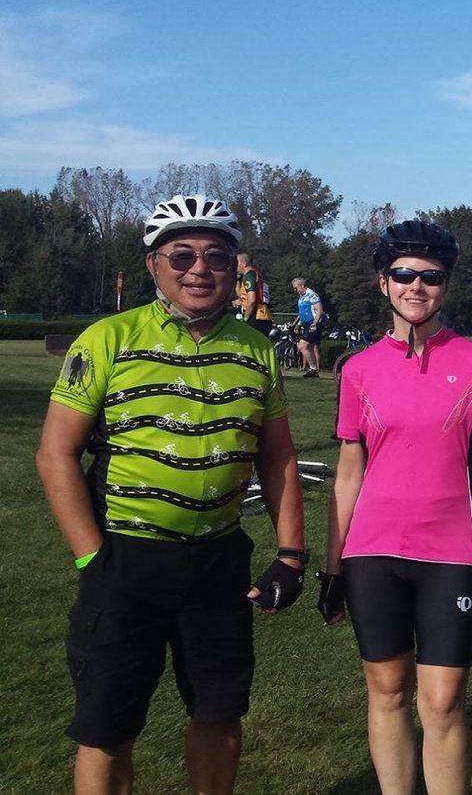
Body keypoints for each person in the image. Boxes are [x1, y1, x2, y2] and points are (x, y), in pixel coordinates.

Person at [35, 194, 308, 795]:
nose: (199, 269)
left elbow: (277, 456)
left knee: (219, 714)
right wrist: (91, 558)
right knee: (108, 728)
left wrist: (291, 554)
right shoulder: (107, 339)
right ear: (153, 264)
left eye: (217, 256)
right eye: (181, 255)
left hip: (217, 561)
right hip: (124, 557)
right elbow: (55, 454)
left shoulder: (257, 348)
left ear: (235, 268)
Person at [315, 220, 472, 795]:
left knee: (443, 702)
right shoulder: (358, 369)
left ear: (447, 285)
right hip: (371, 552)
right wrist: (332, 567)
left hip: (450, 552)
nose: (416, 286)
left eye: (431, 276)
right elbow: (348, 473)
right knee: (387, 691)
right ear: (384, 282)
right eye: (403, 274)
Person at [291, 277, 325, 378]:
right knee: (309, 347)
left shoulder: (312, 295)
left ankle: (313, 368)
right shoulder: (301, 297)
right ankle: (313, 370)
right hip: (306, 324)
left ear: (302, 285)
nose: (295, 290)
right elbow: (302, 313)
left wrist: (315, 322)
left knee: (302, 346)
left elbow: (319, 309)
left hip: (313, 323)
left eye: (296, 288)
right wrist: (298, 324)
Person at [234, 251, 272, 335]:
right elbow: (243, 296)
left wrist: (245, 319)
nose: (235, 267)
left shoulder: (249, 275)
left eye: (236, 263)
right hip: (264, 315)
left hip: (255, 317)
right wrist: (237, 280)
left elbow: (252, 300)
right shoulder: (256, 274)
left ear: (243, 263)